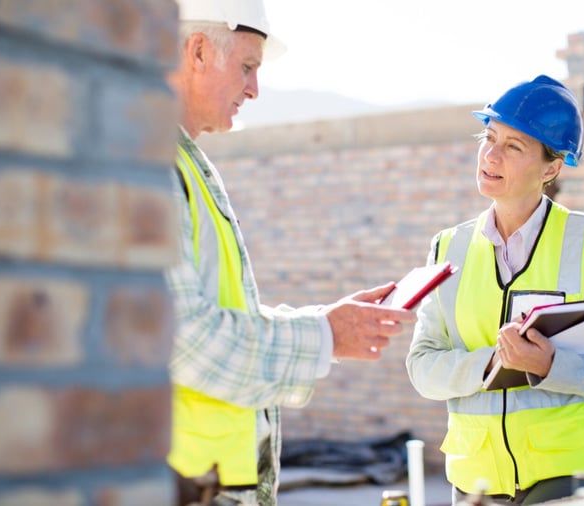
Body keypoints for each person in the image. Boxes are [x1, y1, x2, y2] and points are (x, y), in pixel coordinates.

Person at [164, 1, 416, 505]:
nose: (255, 89)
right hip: (182, 484)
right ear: (197, 52)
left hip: (204, 483)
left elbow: (215, 316)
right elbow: (185, 340)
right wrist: (324, 334)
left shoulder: (184, 164)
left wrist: (327, 323)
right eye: (247, 67)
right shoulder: (153, 165)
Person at [405, 75, 584, 505]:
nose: (491, 155)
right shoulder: (448, 247)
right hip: (476, 483)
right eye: (489, 137)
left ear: (552, 167)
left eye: (513, 146)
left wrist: (550, 364)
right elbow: (423, 367)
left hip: (569, 482)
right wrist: (493, 363)